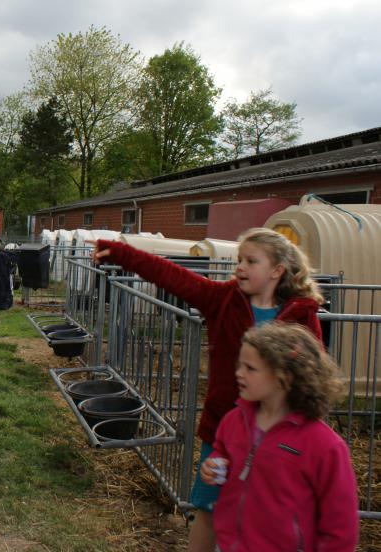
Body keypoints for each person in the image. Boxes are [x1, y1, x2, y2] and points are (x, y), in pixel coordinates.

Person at [94, 227, 323, 551]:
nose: (240, 267)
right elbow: (172, 276)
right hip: (224, 430)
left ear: (277, 270)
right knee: (208, 509)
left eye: (251, 261)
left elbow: (313, 373)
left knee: (265, 516)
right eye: (239, 260)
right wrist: (122, 253)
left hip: (279, 436)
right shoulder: (223, 300)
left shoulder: (301, 315)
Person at [201, 322, 359, 550]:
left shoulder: (324, 445)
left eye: (250, 368)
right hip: (229, 544)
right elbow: (222, 451)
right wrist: (215, 465)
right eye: (239, 365)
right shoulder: (234, 421)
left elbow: (341, 523)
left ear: (285, 377)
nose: (239, 373)